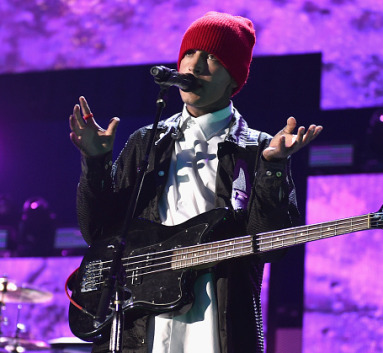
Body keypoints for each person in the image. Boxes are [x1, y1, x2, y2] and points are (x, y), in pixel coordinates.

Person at [69, 11, 322, 353]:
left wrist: (273, 167)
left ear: (234, 78)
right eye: (189, 53)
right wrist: (95, 163)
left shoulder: (259, 148)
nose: (194, 65)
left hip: (216, 316)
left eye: (213, 57)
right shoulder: (147, 141)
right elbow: (96, 233)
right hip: (143, 323)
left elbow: (273, 247)